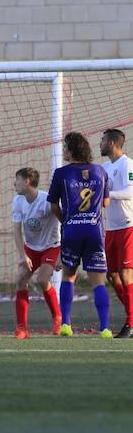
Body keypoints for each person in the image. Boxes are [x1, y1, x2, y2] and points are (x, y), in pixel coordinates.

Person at [47, 132, 111, 337]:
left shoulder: (61, 174)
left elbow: (53, 206)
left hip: (72, 230)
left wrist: (66, 220)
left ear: (72, 149)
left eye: (65, 147)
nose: (64, 150)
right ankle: (105, 328)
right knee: (98, 281)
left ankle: (66, 324)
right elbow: (106, 203)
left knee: (69, 275)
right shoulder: (100, 171)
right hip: (94, 231)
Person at [11, 168, 62, 338]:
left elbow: (65, 222)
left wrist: (62, 255)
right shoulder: (18, 201)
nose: (14, 183)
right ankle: (22, 328)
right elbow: (17, 230)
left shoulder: (47, 200)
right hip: (31, 249)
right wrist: (22, 255)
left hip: (51, 247)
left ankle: (57, 318)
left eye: (17, 179)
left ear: (26, 181)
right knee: (20, 280)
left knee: (42, 280)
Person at [99, 129, 133, 337]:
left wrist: (107, 194)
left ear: (111, 143)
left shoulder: (128, 164)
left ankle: (130, 323)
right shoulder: (103, 167)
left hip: (128, 225)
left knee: (126, 274)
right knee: (111, 274)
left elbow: (131, 191)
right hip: (110, 228)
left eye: (102, 140)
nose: (100, 144)